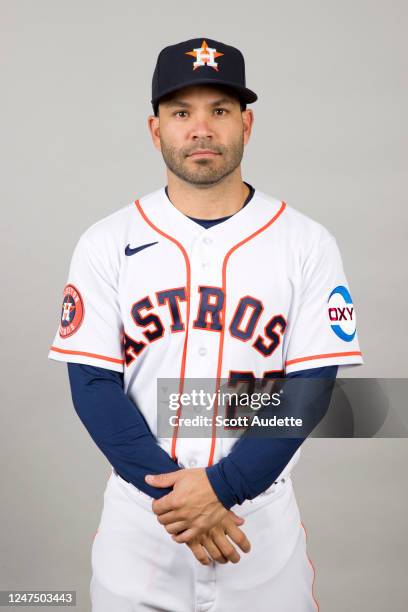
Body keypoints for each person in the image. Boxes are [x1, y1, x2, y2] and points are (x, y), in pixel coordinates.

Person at [48, 37, 363, 611]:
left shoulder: (306, 242)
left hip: (258, 527)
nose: (201, 129)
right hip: (142, 528)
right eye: (181, 112)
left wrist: (222, 489)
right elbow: (92, 385)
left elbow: (313, 388)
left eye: (219, 110)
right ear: (155, 128)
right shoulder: (106, 242)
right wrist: (178, 501)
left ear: (247, 123)